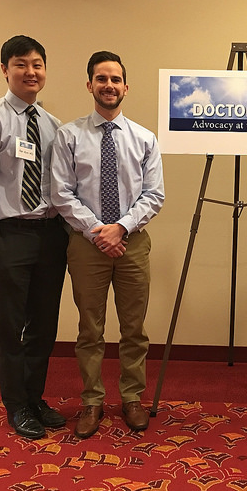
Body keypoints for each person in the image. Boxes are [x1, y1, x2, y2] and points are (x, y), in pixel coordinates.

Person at [51, 51, 164, 439]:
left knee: (134, 328)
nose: (109, 86)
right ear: (90, 85)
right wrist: (100, 230)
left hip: (132, 242)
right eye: (101, 79)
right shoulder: (69, 135)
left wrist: (121, 228)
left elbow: (154, 195)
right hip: (86, 244)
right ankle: (91, 401)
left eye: (115, 79)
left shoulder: (145, 138)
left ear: (126, 87)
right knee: (90, 328)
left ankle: (132, 397)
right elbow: (61, 193)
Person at [0, 35, 68, 439]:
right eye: (21, 64)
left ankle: (35, 397)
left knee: (44, 324)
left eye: (37, 64)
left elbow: (59, 185)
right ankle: (17, 405)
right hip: (10, 235)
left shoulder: (51, 124)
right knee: (11, 326)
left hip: (50, 235)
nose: (31, 72)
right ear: (4, 69)